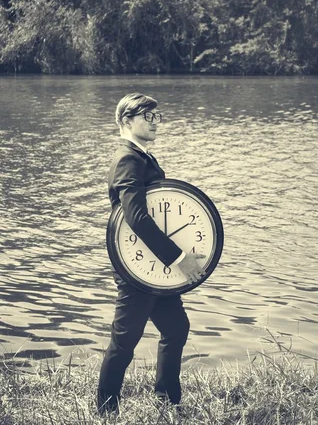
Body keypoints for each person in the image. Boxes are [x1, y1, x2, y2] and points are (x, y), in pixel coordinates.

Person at [97, 92, 204, 414]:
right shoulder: (128, 159)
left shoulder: (142, 157)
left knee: (176, 328)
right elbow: (136, 218)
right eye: (148, 116)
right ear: (127, 121)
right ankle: (105, 410)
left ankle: (167, 400)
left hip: (153, 267)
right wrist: (178, 257)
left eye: (158, 116)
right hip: (137, 270)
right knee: (124, 341)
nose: (156, 123)